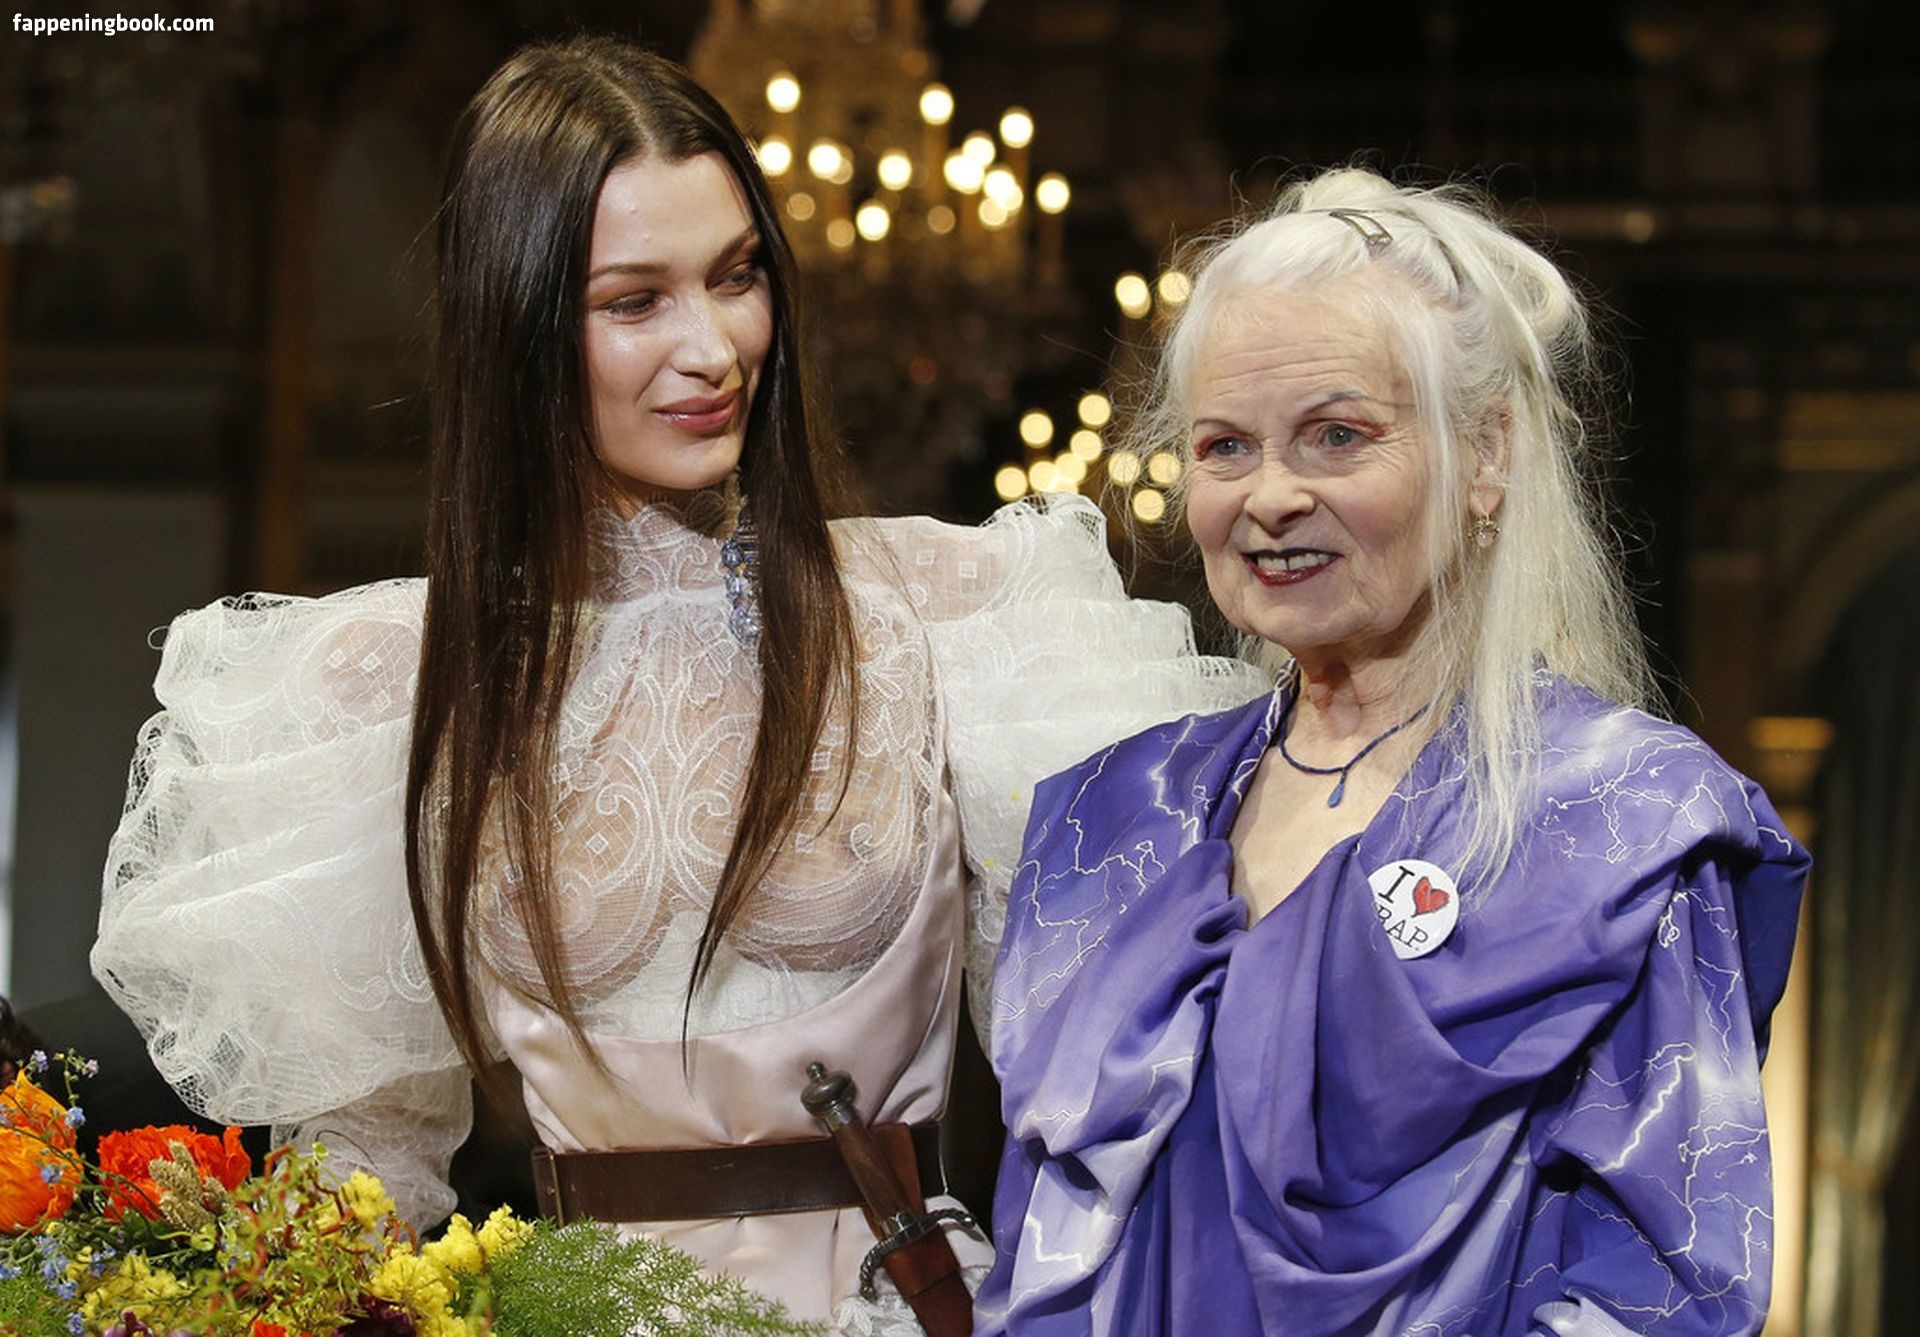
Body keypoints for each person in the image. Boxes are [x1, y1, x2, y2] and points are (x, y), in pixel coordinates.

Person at [91, 36, 1261, 1332]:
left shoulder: (953, 614)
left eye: (737, 275)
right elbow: (364, 1170)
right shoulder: (393, 685)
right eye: (635, 300)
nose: (714, 348)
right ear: (521, 325)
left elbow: (1114, 1096)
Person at [979, 167, 1809, 1335]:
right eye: (1225, 446)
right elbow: (1043, 1253)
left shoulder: (1623, 819)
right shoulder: (1111, 819)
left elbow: (1668, 1288)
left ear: (1487, 455)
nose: (1271, 495)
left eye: (1337, 436)